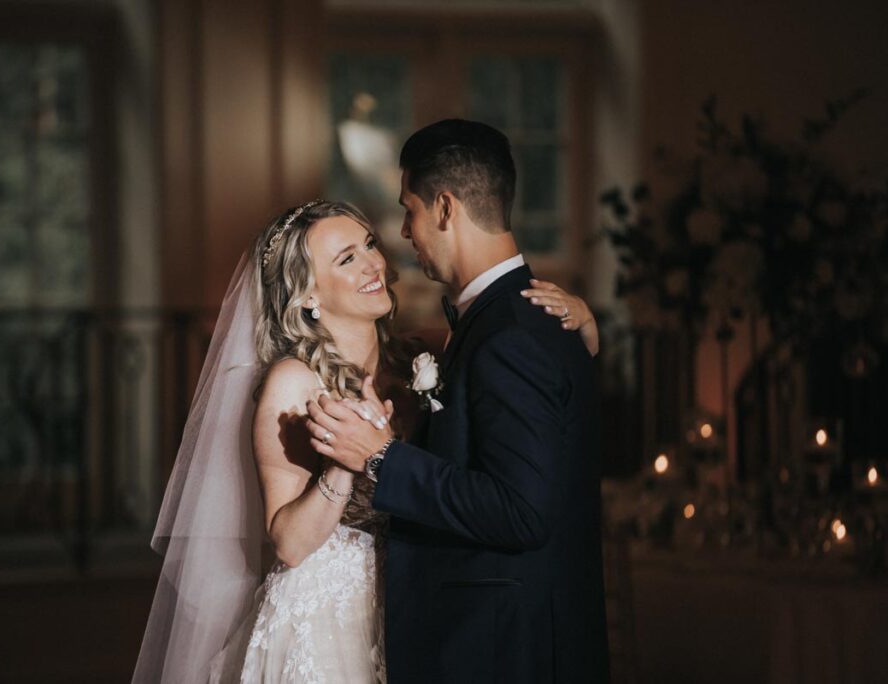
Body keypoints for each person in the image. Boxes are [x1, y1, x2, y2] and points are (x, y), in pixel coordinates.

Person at [132, 196, 599, 682]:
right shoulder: (294, 383)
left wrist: (583, 331)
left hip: (415, 609)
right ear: (307, 294)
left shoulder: (416, 363)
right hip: (327, 623)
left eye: (369, 244)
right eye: (346, 258)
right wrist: (344, 462)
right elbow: (289, 543)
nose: (373, 263)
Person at [308, 119, 610, 682]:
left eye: (410, 209)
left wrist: (382, 457)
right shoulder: (525, 318)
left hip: (503, 652)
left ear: (445, 208)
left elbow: (521, 511)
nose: (403, 231)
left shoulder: (513, 334)